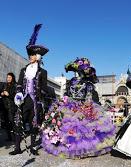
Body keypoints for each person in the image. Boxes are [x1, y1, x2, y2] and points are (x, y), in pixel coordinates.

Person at [41, 57, 116, 159]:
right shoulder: (72, 81)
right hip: (69, 107)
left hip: (83, 107)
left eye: (80, 71)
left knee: (83, 129)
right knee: (67, 128)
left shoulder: (88, 84)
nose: (78, 74)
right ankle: (66, 147)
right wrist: (64, 101)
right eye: (77, 71)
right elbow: (67, 94)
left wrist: (86, 106)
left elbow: (89, 97)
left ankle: (83, 150)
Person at [10, 24, 49, 155]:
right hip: (23, 100)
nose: (30, 57)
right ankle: (17, 147)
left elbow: (44, 87)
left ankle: (32, 147)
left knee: (34, 124)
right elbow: (19, 84)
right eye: (29, 55)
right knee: (18, 123)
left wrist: (41, 96)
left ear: (37, 57)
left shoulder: (43, 72)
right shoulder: (23, 70)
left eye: (32, 55)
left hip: (35, 102)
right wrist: (18, 94)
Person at [0, 73, 17, 141]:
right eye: (7, 77)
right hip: (4, 106)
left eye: (10, 77)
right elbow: (1, 92)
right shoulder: (4, 85)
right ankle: (9, 137)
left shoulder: (15, 86)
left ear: (12, 78)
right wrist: (2, 93)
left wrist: (8, 94)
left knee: (12, 121)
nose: (8, 78)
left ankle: (15, 137)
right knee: (6, 122)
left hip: (11, 107)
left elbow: (15, 97)